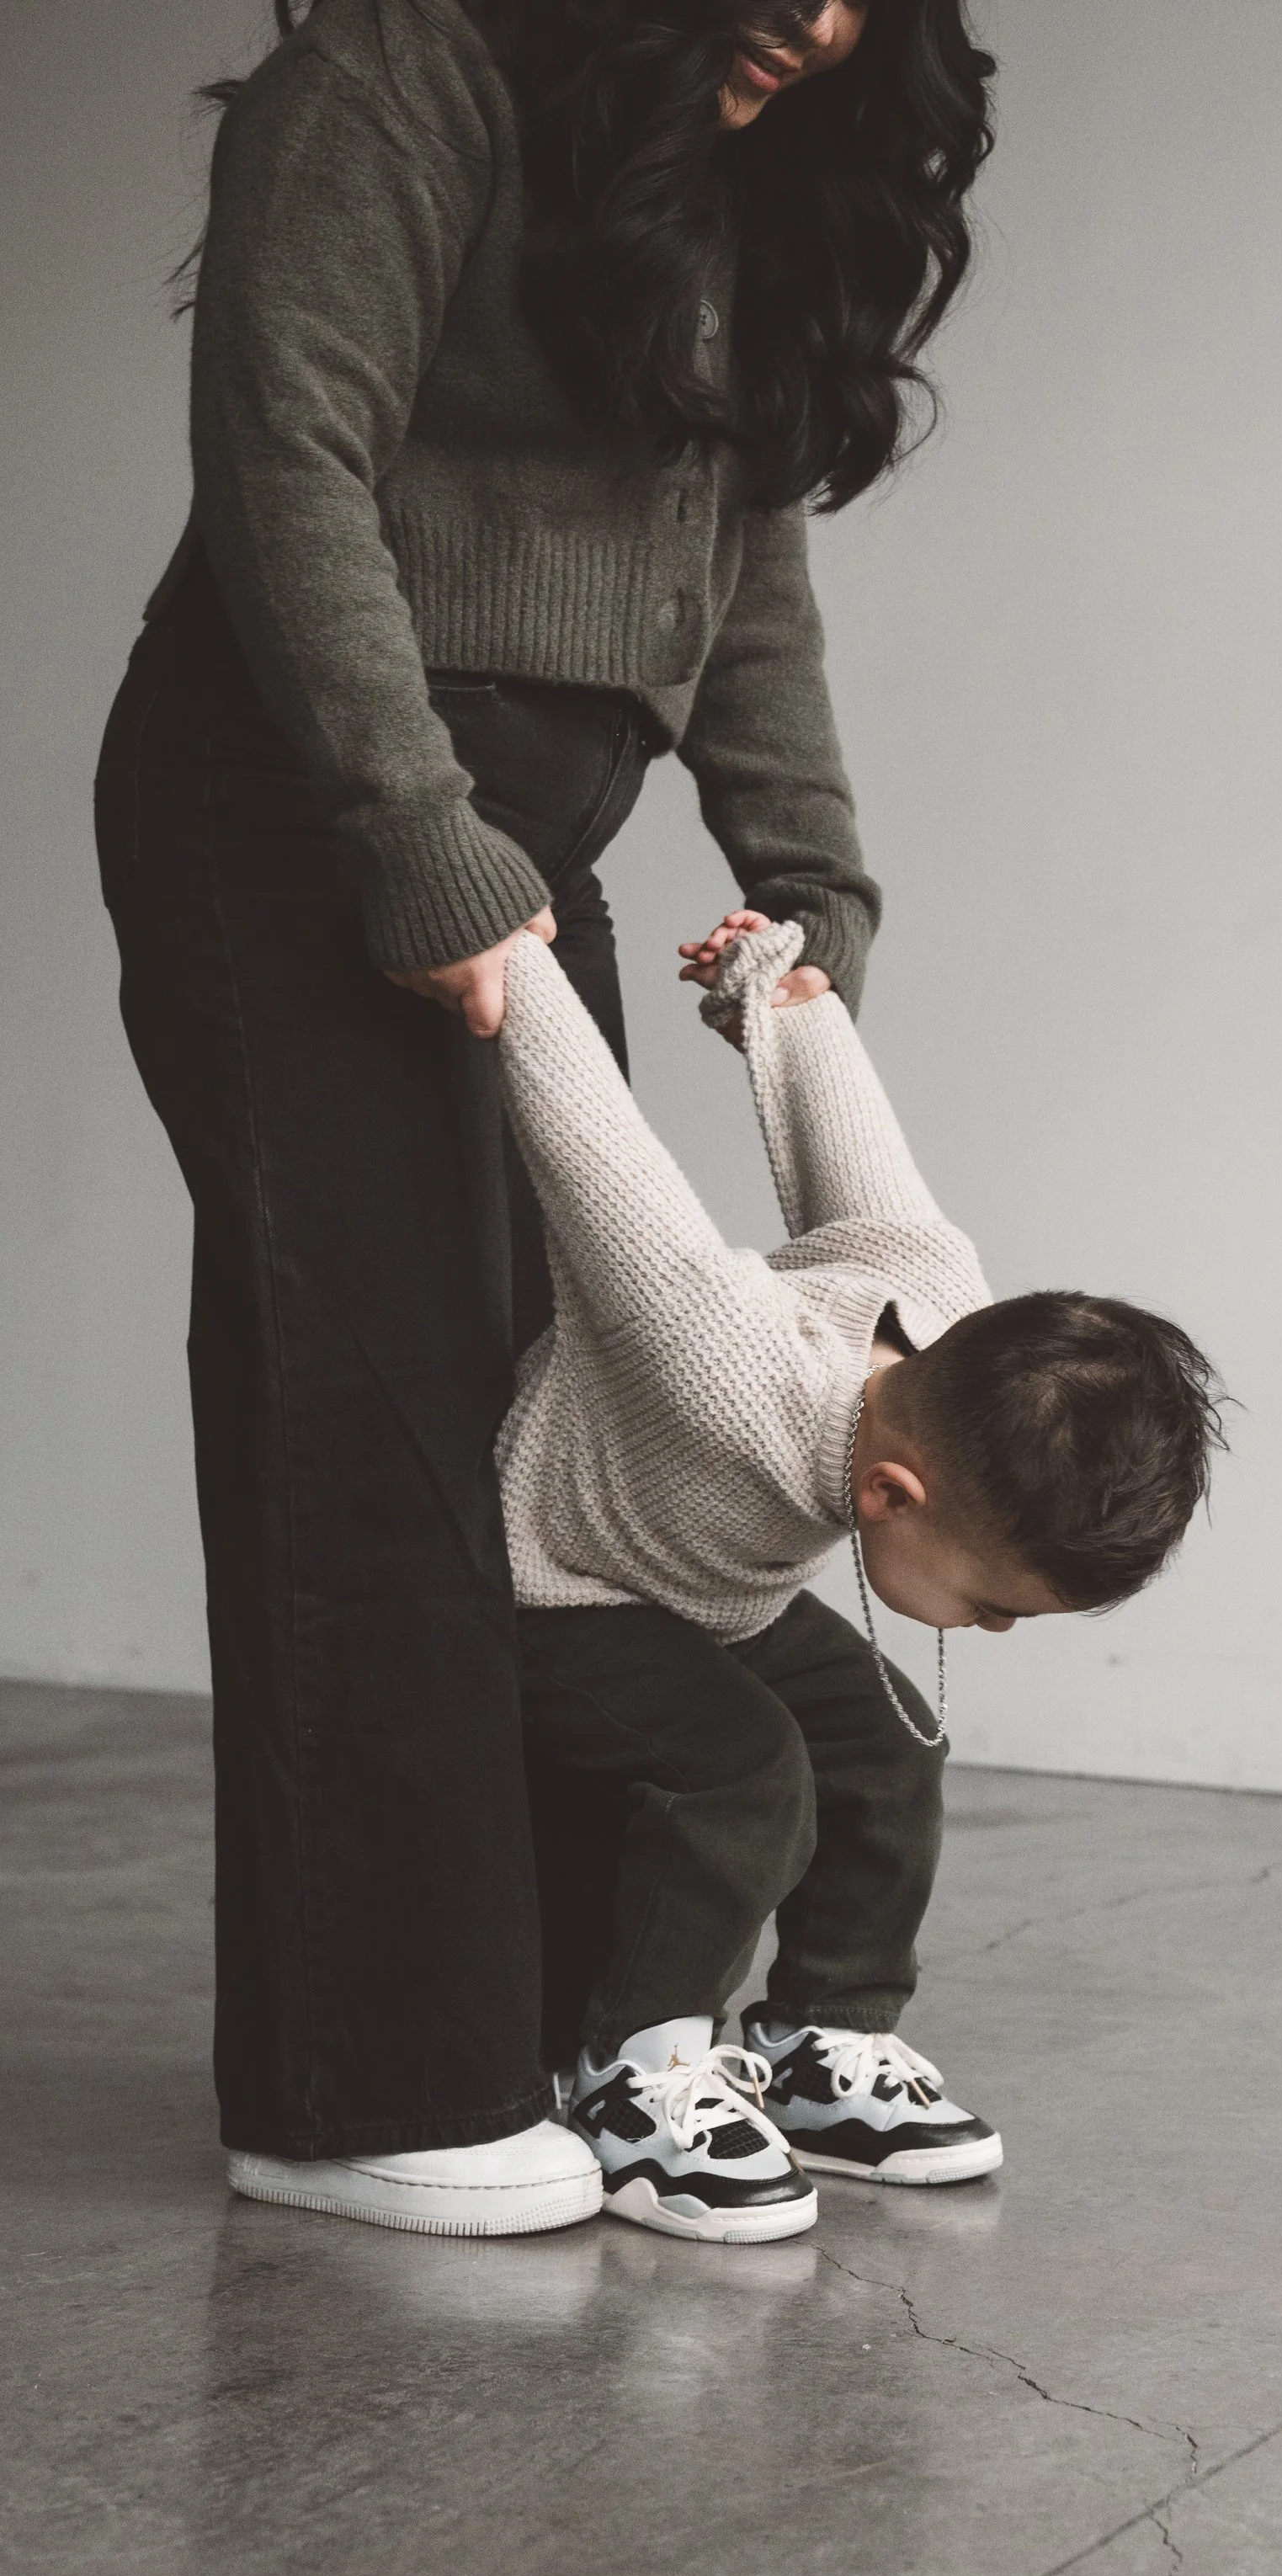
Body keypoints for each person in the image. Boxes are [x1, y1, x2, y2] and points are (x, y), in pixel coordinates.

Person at [94, 0, 996, 2237]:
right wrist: (409, 834)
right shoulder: (394, 73)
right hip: (303, 803)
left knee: (551, 1444)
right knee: (378, 1431)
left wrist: (805, 887)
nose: (811, 13)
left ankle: (598, 2037)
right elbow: (284, 447)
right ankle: (357, 2090)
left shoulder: (719, 168)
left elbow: (737, 553)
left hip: (516, 852)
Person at [489, 908, 1223, 2243]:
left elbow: (862, 1169)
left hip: (712, 1594)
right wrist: (512, 955)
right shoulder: (717, 1353)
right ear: (896, 1495)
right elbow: (599, 1155)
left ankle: (819, 2036)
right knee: (741, 1767)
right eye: (995, 1602)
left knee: (892, 1740)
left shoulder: (938, 1304)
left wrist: (782, 1001)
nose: (993, 1628)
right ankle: (629, 2067)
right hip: (561, 1582)